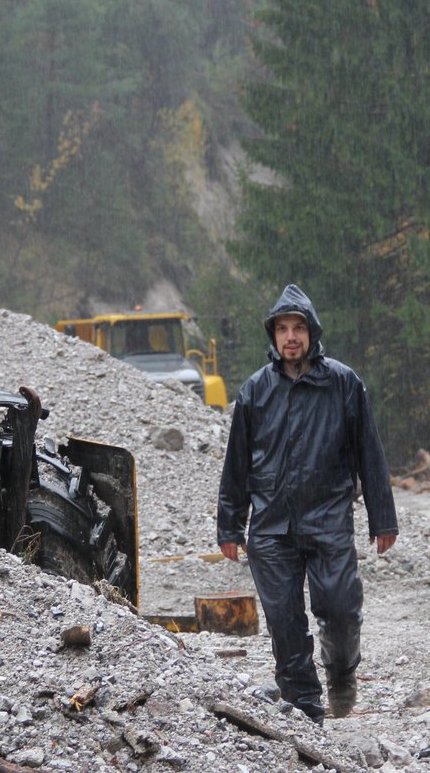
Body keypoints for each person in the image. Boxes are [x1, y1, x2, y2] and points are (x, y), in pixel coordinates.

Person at [217, 284, 398, 725]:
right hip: (271, 528)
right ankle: (304, 709)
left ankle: (340, 675)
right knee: (283, 620)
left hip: (329, 521)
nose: (291, 337)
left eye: (299, 328)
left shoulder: (343, 384)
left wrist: (383, 517)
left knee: (339, 608)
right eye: (283, 329)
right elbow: (236, 464)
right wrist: (229, 526)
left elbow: (369, 454)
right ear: (273, 336)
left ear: (312, 333)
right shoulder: (255, 391)